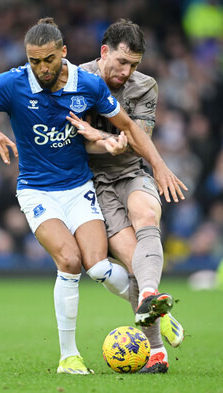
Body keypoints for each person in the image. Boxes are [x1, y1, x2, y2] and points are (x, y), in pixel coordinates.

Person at [0, 18, 186, 375]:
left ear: (64, 53)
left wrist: (150, 160)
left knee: (101, 267)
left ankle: (152, 310)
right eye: (34, 60)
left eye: (48, 59)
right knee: (70, 261)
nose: (41, 67)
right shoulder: (12, 83)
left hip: (80, 188)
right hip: (37, 191)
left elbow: (129, 126)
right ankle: (68, 357)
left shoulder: (87, 84)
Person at [66, 19, 185, 373]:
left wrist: (148, 159)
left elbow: (139, 134)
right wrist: (101, 140)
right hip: (93, 182)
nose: (126, 71)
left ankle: (150, 298)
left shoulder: (145, 86)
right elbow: (72, 138)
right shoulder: (74, 79)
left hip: (132, 172)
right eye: (121, 62)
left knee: (147, 213)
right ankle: (158, 346)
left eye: (133, 64)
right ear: (104, 52)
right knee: (134, 262)